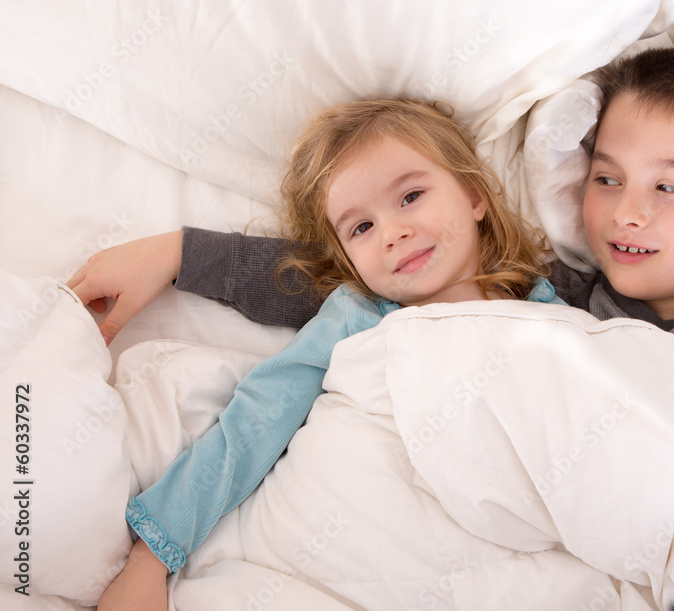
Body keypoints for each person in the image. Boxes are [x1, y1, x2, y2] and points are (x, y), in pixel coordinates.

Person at [72, 48, 674, 609]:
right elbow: (360, 280)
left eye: (671, 186)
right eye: (606, 177)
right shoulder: (555, 295)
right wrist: (176, 253)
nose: (629, 209)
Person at [84, 98, 564, 610]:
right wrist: (152, 557)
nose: (392, 234)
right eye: (361, 228)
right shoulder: (358, 316)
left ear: (474, 195)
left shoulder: (552, 311)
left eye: (412, 196)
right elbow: (259, 418)